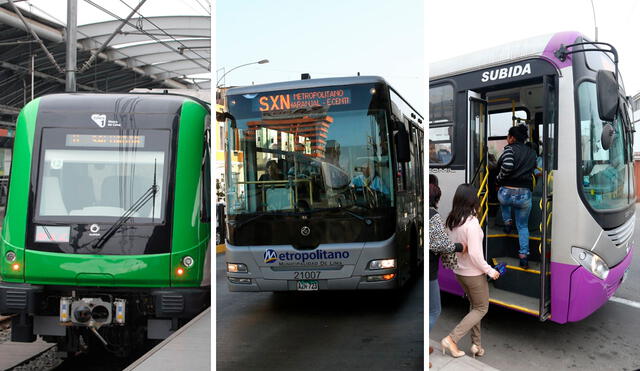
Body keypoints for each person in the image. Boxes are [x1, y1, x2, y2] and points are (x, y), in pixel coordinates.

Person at [441, 184, 500, 359]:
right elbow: (475, 254)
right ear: (472, 200)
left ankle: (476, 345)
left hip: (459, 272)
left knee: (474, 306)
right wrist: (490, 271)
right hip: (473, 274)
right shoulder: (472, 224)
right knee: (482, 308)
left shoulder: (451, 221)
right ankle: (452, 339)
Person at [429, 177, 464, 368]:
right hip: (430, 271)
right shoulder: (433, 214)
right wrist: (459, 246)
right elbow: (442, 243)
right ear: (436, 199)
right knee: (435, 310)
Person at [496, 124, 537, 268]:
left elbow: (506, 166)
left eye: (508, 137)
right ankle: (524, 256)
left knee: (504, 199)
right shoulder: (532, 153)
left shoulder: (509, 149)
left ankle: (507, 222)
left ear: (512, 138)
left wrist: (499, 178)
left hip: (507, 191)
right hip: (524, 194)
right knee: (523, 226)